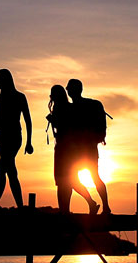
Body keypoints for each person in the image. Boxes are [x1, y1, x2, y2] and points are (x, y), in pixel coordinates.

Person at [47, 85, 98, 214]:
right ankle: (73, 207)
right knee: (68, 181)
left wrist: (53, 120)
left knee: (64, 181)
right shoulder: (69, 107)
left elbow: (63, 127)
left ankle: (67, 209)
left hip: (64, 149)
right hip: (69, 149)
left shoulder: (60, 108)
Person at [0, 69, 33, 208]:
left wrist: (29, 142)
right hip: (2, 138)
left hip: (14, 137)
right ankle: (19, 206)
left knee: (1, 169)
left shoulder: (20, 97)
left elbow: (27, 120)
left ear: (5, 80)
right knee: (10, 171)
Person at [66, 78, 111, 214]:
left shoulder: (75, 108)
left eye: (69, 88)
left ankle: (98, 204)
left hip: (83, 149)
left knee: (77, 178)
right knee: (90, 178)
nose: (68, 90)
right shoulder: (91, 105)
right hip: (84, 149)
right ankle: (97, 205)